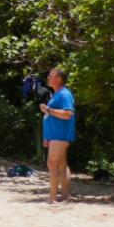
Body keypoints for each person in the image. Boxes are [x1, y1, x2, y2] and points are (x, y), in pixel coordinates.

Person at [39, 66, 75, 205]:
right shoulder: (57, 93)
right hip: (54, 135)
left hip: (60, 135)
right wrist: (46, 136)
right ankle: (64, 195)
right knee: (61, 164)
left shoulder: (65, 94)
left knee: (52, 163)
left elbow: (68, 114)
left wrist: (48, 109)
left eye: (50, 75)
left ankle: (52, 197)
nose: (48, 77)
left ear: (59, 79)